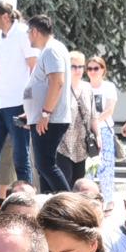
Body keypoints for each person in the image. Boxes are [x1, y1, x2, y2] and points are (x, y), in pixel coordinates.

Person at [0, 0, 37, 201]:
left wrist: (30, 104)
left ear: (5, 16)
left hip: (17, 104)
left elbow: (33, 68)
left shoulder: (23, 33)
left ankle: (27, 204)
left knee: (20, 158)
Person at [22, 15, 77, 193]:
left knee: (46, 165)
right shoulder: (51, 50)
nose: (28, 37)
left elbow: (57, 82)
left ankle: (69, 205)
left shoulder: (52, 50)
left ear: (36, 31)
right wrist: (31, 114)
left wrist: (45, 113)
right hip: (45, 117)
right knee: (43, 167)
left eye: (28, 32)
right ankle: (49, 205)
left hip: (50, 119)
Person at [84, 53, 120, 186]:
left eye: (96, 68)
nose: (92, 72)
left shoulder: (108, 87)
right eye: (89, 69)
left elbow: (109, 110)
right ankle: (87, 196)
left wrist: (95, 122)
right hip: (87, 133)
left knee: (106, 166)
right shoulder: (84, 87)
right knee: (87, 167)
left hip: (104, 129)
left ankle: (108, 200)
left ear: (103, 69)